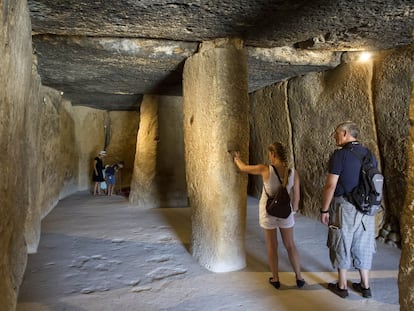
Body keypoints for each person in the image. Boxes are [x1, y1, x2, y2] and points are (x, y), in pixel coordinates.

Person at [232, 142, 305, 289]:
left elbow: (243, 168)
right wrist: (293, 212)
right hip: (286, 213)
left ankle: (276, 279)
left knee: (272, 246)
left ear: (273, 154)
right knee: (290, 245)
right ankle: (299, 277)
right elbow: (296, 197)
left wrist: (236, 158)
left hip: (268, 212)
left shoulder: (265, 169)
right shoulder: (293, 173)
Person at [321, 121, 377, 299]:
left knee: (341, 242)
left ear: (345, 133)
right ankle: (365, 286)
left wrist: (324, 210)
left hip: (344, 206)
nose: (334, 136)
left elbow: (330, 186)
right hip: (366, 207)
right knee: (364, 244)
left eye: (336, 133)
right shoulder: (369, 154)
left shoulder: (340, 155)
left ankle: (342, 285)